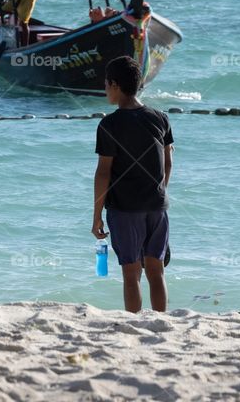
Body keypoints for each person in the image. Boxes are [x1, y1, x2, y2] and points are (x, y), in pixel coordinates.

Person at [91, 56, 174, 313]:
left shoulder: (109, 124)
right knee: (156, 270)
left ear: (115, 85)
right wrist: (160, 191)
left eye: (106, 84)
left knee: (130, 272)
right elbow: (168, 161)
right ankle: (162, 321)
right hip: (156, 206)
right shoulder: (159, 118)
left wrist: (96, 216)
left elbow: (103, 172)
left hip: (125, 209)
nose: (105, 89)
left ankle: (134, 321)